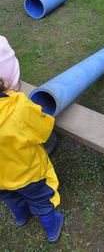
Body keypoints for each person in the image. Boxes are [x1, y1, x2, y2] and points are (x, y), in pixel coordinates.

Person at [0, 77, 63, 242]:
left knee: (10, 196)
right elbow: (43, 131)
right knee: (41, 200)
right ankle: (52, 227)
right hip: (28, 174)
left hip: (1, 180)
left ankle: (21, 216)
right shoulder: (17, 107)